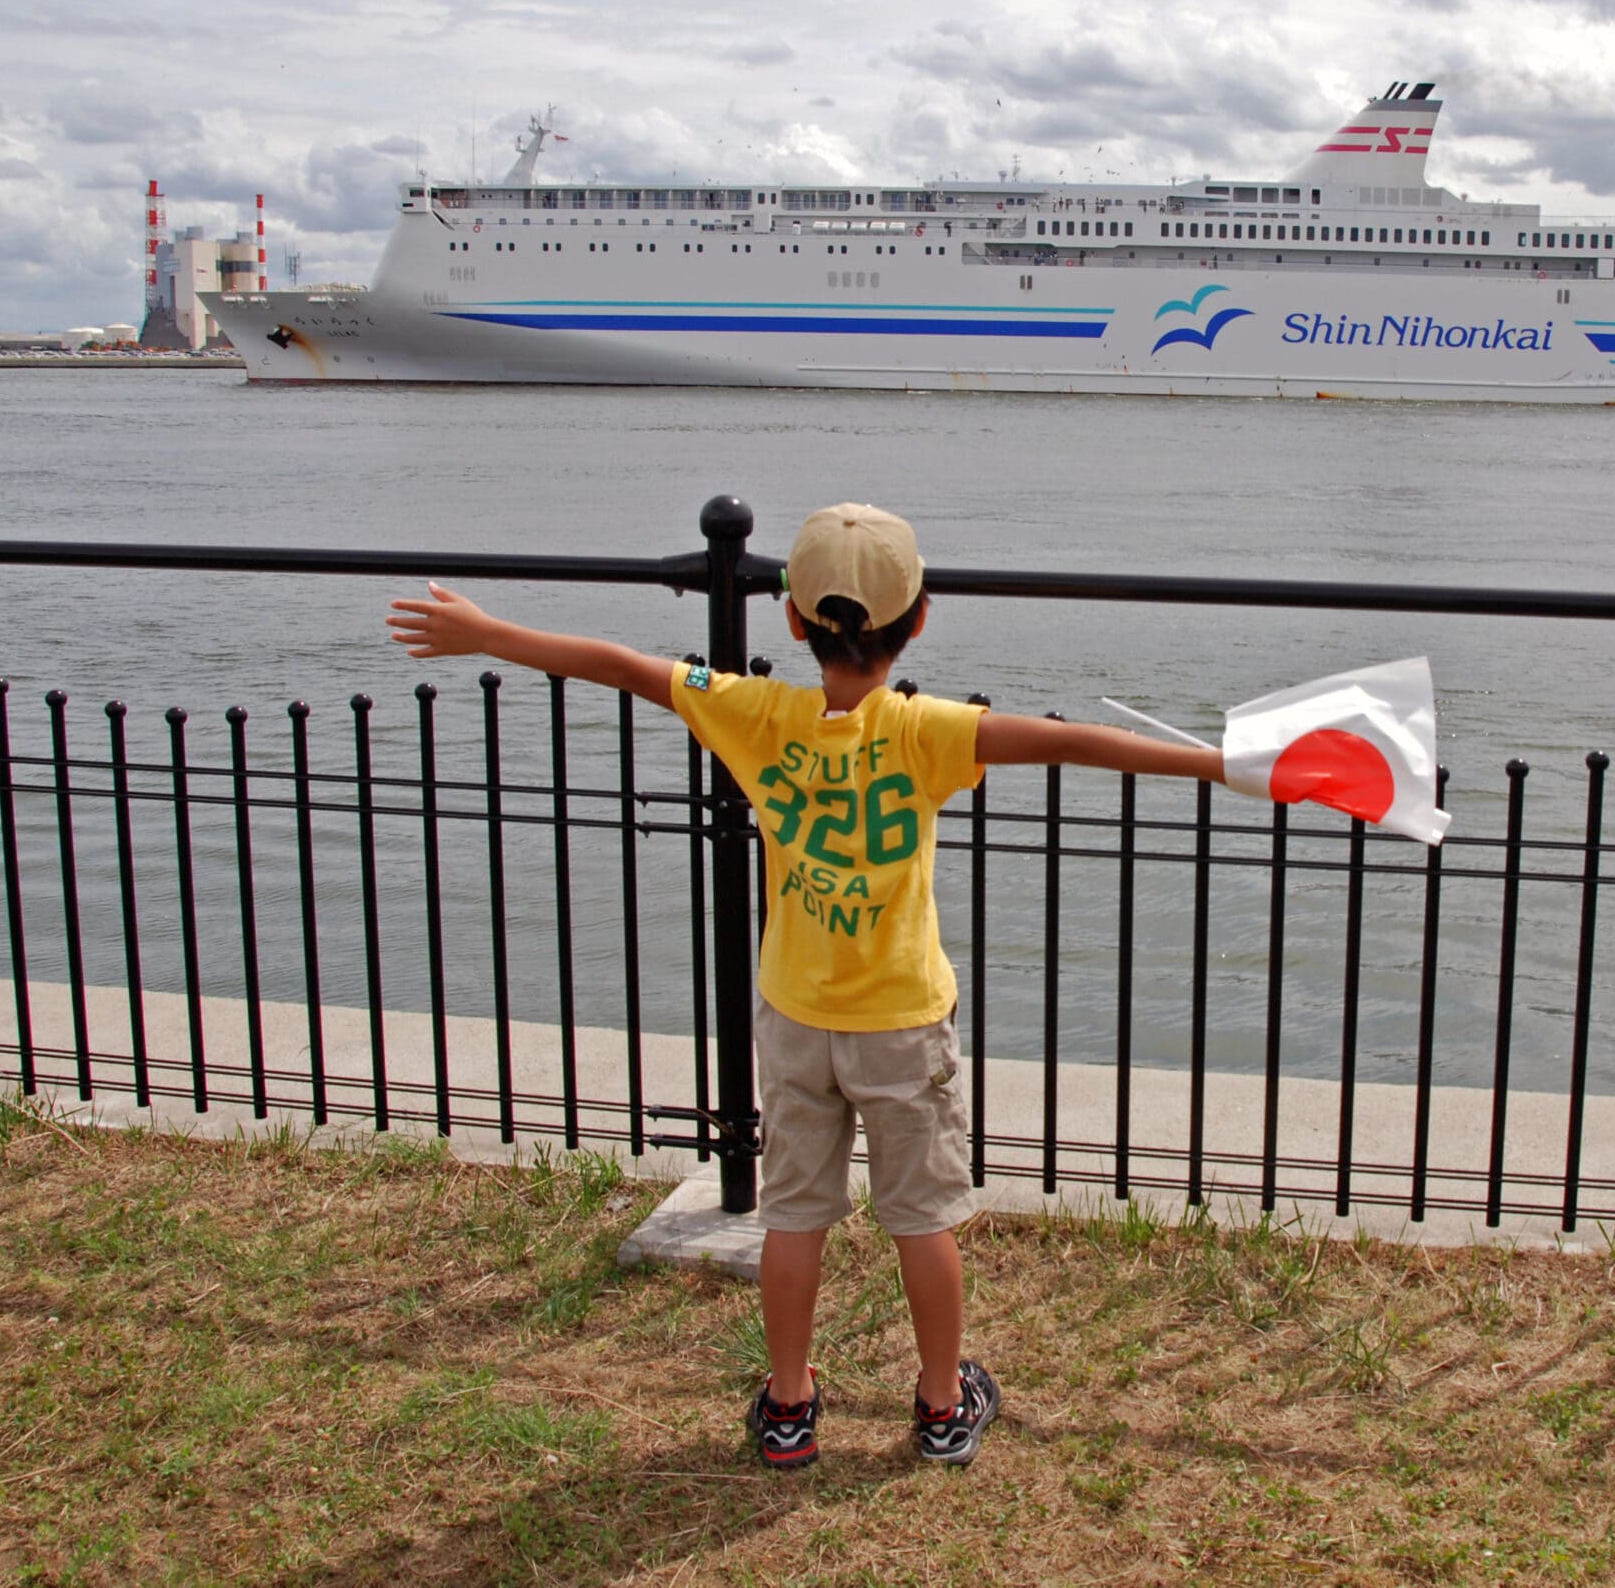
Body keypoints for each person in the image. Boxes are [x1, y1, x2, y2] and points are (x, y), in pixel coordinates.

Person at [385, 503, 1222, 1468]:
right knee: (920, 1219)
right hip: (902, 1021)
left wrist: (488, 635)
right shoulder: (928, 732)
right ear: (919, 620)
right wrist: (1222, 764)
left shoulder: (753, 712)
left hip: (793, 1017)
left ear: (789, 620)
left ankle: (789, 1406)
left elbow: (618, 664)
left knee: (793, 1213)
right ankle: (944, 1406)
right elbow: (1079, 744)